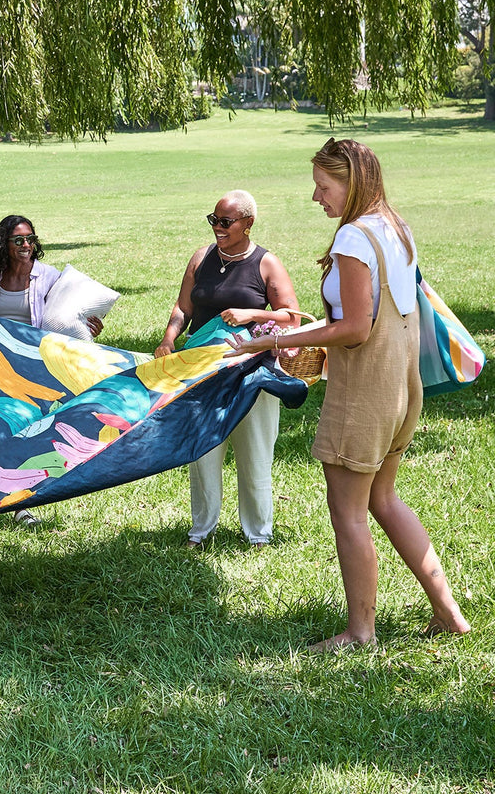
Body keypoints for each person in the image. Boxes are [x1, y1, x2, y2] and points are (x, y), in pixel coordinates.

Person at [227, 139, 470, 649]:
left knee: (350, 514)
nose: (316, 196)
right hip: (402, 388)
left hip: (365, 393)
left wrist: (274, 339)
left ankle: (360, 633)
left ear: (352, 181)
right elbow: (375, 316)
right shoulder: (395, 227)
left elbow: (356, 329)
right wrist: (310, 329)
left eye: (324, 185)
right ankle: (448, 613)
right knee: (383, 499)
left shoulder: (355, 240)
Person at [155, 190, 299, 550]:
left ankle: (258, 535)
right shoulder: (201, 258)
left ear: (248, 224)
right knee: (202, 453)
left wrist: (254, 314)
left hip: (251, 371)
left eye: (226, 222)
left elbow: (292, 316)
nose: (218, 228)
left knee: (254, 453)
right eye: (213, 220)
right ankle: (201, 531)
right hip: (201, 369)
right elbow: (183, 306)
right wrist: (169, 339)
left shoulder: (266, 264)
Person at [0, 214, 104, 541]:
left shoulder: (48, 277)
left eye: (30, 239)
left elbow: (68, 315)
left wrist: (88, 327)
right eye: (18, 241)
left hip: (33, 367)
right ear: (5, 245)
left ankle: (19, 504)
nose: (26, 246)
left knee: (23, 436)